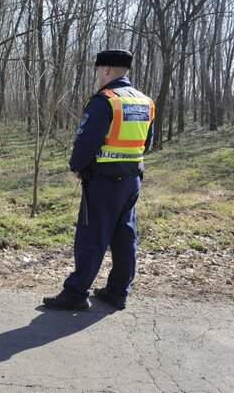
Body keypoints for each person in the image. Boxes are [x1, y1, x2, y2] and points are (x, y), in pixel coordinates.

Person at [43, 49, 155, 311]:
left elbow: (87, 141)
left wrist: (78, 167)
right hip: (132, 178)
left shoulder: (105, 100)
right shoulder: (145, 101)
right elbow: (146, 143)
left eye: (97, 71)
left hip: (105, 181)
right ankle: (117, 291)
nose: (96, 76)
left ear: (105, 70)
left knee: (92, 235)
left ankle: (75, 293)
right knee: (124, 236)